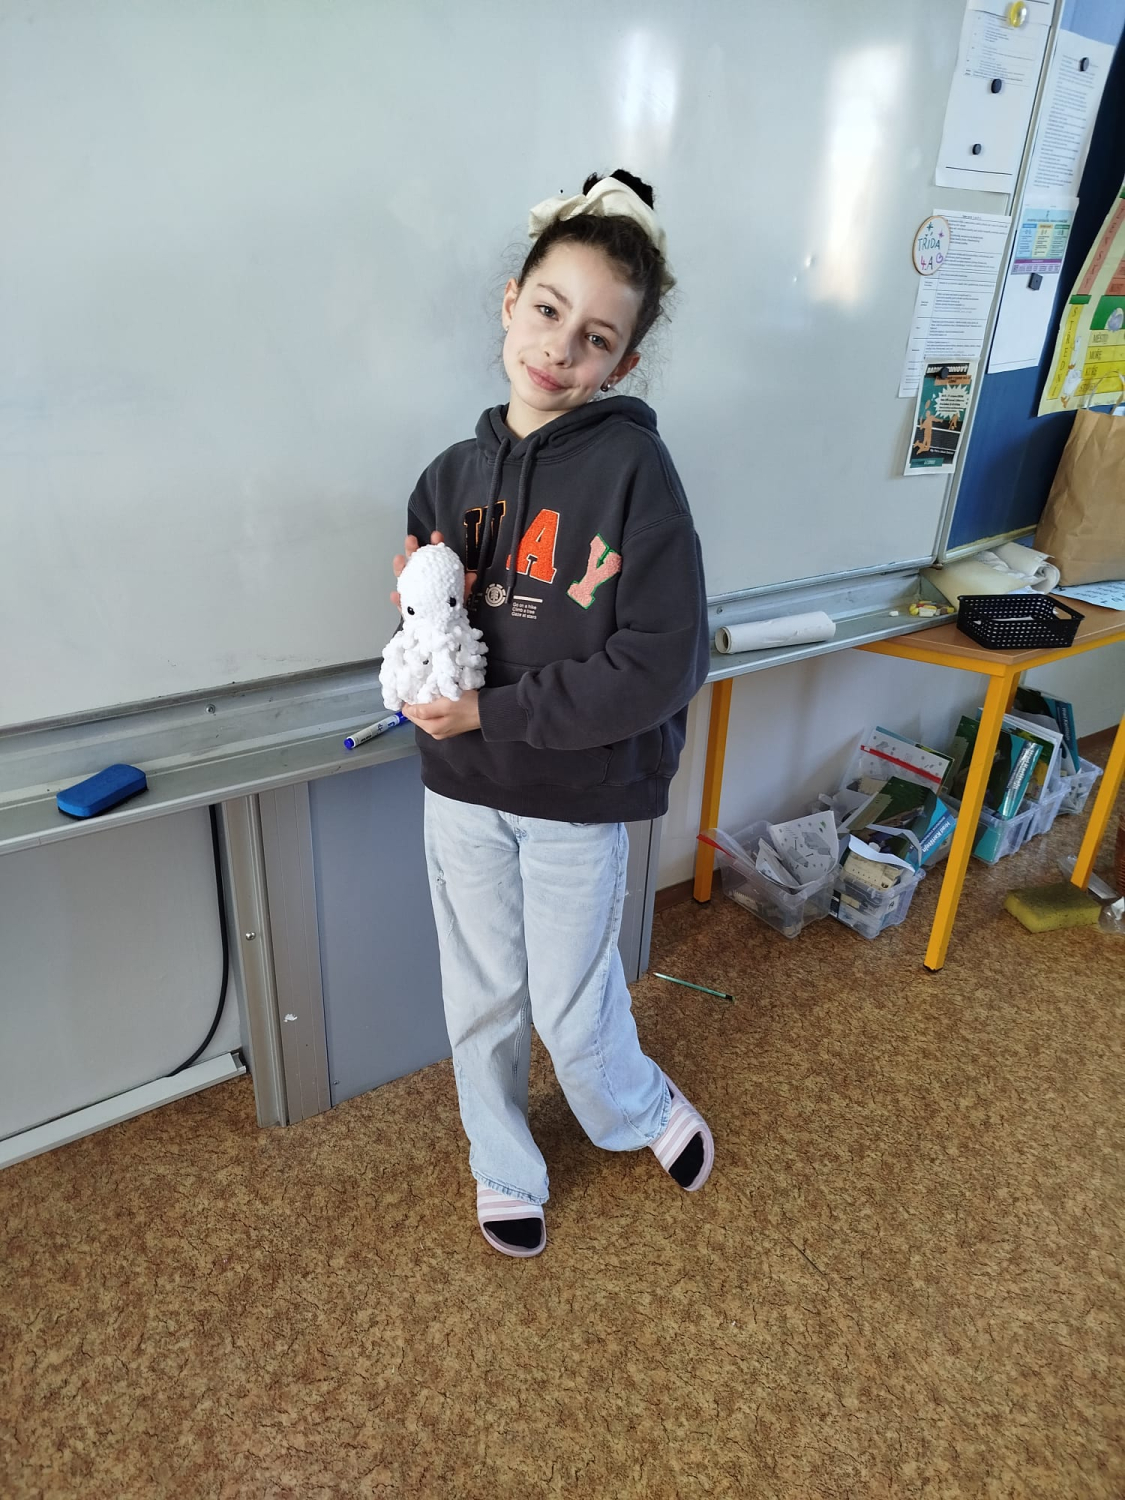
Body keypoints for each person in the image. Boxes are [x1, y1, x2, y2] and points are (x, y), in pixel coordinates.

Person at [391, 170, 712, 1258]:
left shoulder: (636, 471)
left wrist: (493, 711)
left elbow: (659, 662)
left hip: (578, 794)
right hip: (462, 793)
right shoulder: (446, 478)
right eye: (546, 310)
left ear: (623, 363)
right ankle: (502, 1164)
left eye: (595, 338)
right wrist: (418, 659)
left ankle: (634, 1106)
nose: (559, 349)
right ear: (510, 301)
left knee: (573, 1006)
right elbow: (429, 618)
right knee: (481, 996)